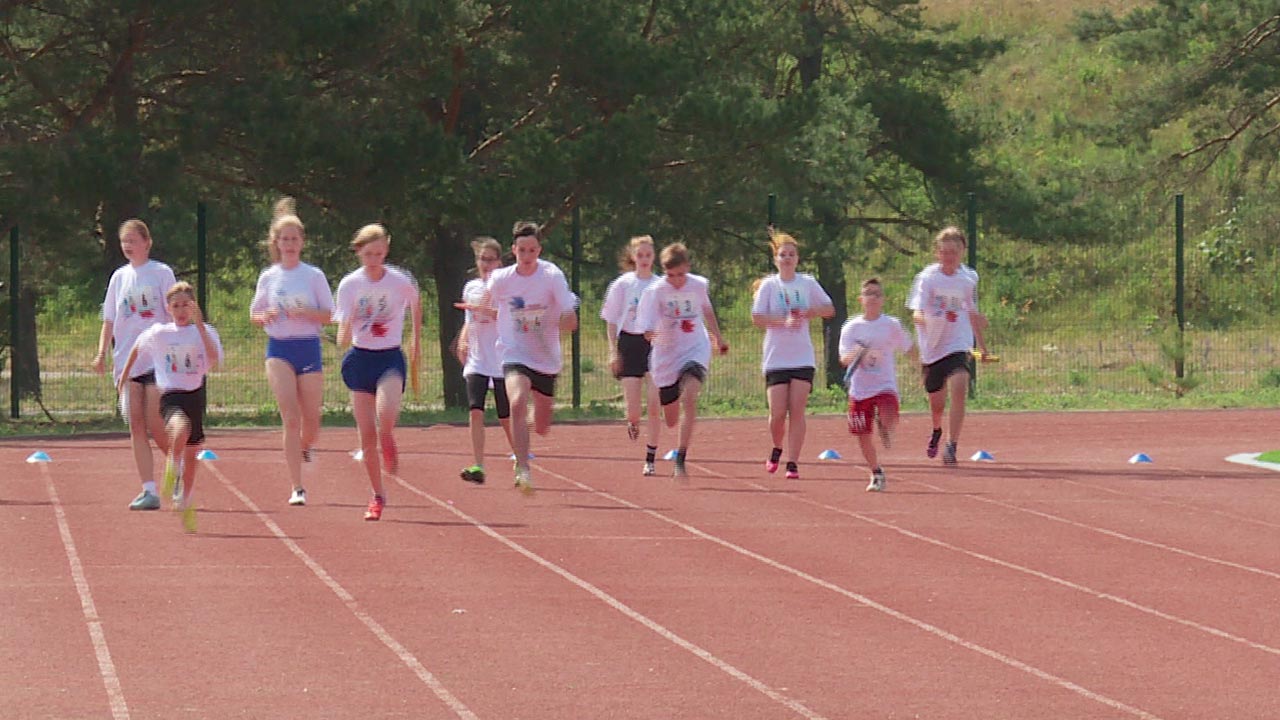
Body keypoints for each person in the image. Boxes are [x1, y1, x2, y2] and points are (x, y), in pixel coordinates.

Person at [116, 282, 223, 533]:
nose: (181, 310)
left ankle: (185, 499)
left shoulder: (205, 331)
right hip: (170, 396)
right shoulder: (159, 333)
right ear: (168, 309)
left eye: (186, 305)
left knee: (193, 450)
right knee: (180, 427)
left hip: (195, 396)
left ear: (194, 306)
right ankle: (172, 466)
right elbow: (136, 348)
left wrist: (199, 326)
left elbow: (214, 358)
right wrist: (124, 376)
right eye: (176, 306)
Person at [481, 221, 579, 494]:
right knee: (517, 400)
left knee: (543, 426)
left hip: (546, 357)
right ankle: (523, 467)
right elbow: (488, 306)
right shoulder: (501, 279)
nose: (527, 256)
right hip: (514, 353)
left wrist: (563, 318)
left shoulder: (551, 275)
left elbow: (570, 316)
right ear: (513, 250)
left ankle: (539, 414)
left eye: (532, 250)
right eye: (522, 250)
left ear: (539, 250)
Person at [333, 224, 422, 521]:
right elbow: (342, 334)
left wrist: (416, 341)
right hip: (360, 359)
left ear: (386, 250)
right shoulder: (349, 285)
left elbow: (416, 302)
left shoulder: (398, 281)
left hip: (389, 357)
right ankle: (377, 495)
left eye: (380, 254)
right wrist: (347, 327)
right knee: (365, 437)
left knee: (385, 414)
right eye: (369, 254)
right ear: (359, 251)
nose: (374, 260)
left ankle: (389, 436)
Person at [249, 198, 334, 507]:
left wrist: (307, 311)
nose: (289, 244)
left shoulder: (313, 276)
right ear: (276, 243)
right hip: (279, 349)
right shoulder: (268, 277)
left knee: (311, 421)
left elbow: (330, 314)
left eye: (294, 239)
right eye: (284, 239)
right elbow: (254, 315)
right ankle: (297, 486)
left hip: (308, 346)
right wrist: (266, 316)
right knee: (291, 417)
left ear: (302, 242)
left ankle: (305, 447)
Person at [93, 219, 177, 511]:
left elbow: (174, 311)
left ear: (147, 242)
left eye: (133, 240)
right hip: (127, 362)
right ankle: (149, 490)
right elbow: (109, 319)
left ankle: (175, 468)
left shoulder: (161, 273)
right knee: (136, 425)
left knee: (155, 422)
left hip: (156, 359)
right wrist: (101, 353)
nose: (128, 246)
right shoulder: (119, 278)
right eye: (123, 241)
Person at [636, 242, 729, 480]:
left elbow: (707, 310)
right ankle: (673, 392)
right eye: (670, 275)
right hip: (666, 355)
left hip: (694, 348)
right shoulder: (655, 291)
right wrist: (659, 334)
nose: (676, 281)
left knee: (690, 396)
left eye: (680, 275)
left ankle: (681, 457)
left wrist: (718, 337)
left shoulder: (698, 285)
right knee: (670, 419)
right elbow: (646, 330)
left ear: (688, 267)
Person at [749, 232, 834, 479]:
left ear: (798, 259)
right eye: (782, 255)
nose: (787, 259)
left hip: (802, 357)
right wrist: (782, 320)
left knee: (797, 411)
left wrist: (808, 312)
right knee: (777, 414)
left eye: (791, 255)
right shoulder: (769, 286)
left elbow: (829, 309)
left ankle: (793, 462)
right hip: (776, 358)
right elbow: (756, 318)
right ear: (775, 259)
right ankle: (777, 447)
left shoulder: (807, 283)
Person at [907, 227, 989, 465]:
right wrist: (935, 320)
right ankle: (936, 429)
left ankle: (952, 444)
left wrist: (983, 346)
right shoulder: (928, 278)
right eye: (944, 252)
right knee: (937, 403)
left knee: (960, 384)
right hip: (932, 346)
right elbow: (916, 314)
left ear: (962, 251)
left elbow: (972, 312)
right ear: (937, 253)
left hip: (958, 342)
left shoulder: (968, 278)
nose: (949, 257)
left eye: (953, 252)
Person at [839, 277, 913, 491]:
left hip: (884, 386)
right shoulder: (851, 328)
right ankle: (876, 472)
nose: (872, 298)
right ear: (860, 299)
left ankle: (884, 423)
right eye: (868, 294)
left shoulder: (891, 325)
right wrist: (858, 351)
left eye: (877, 294)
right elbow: (844, 360)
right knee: (862, 434)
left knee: (889, 417)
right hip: (860, 389)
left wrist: (923, 367)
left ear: (883, 299)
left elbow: (909, 348)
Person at [600, 235, 663, 475]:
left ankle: (650, 457)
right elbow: (611, 319)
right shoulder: (622, 284)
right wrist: (612, 351)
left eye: (648, 255)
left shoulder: (661, 285)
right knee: (635, 409)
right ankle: (633, 421)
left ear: (654, 257)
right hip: (629, 342)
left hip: (654, 344)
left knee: (655, 403)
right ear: (633, 257)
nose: (644, 259)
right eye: (640, 255)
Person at [455, 237, 514, 484]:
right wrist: (463, 340)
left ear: (499, 262)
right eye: (482, 259)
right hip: (477, 360)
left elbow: (512, 318)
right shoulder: (471, 288)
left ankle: (520, 456)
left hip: (501, 358)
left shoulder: (507, 288)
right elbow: (470, 320)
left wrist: (494, 313)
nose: (486, 264)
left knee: (505, 415)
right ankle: (478, 465)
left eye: (491, 260)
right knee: (475, 410)